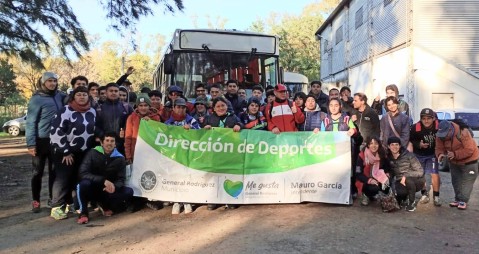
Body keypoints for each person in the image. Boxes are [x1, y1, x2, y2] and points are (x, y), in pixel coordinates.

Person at [49, 86, 96, 220]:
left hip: (83, 152)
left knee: (77, 178)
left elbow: (93, 129)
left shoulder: (92, 111)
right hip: (64, 152)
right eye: (79, 95)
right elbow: (56, 132)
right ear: (73, 97)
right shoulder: (65, 111)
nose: (82, 97)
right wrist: (66, 151)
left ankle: (72, 203)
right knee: (63, 178)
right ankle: (56, 207)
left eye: (84, 95)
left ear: (88, 97)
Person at [26, 72, 66, 213]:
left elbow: (74, 97)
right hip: (41, 140)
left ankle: (52, 199)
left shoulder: (59, 95)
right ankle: (36, 200)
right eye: (49, 81)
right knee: (38, 172)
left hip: (56, 139)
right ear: (43, 82)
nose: (52, 84)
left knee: (54, 172)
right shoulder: (36, 99)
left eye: (55, 81)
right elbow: (30, 122)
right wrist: (31, 144)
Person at [76, 132, 134, 224]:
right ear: (102, 143)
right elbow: (83, 173)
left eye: (112, 141)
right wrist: (103, 180)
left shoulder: (120, 158)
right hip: (93, 188)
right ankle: (83, 213)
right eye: (107, 140)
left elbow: (121, 179)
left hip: (106, 190)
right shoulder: (92, 153)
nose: (109, 143)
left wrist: (115, 186)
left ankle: (105, 205)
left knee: (129, 191)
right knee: (83, 184)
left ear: (115, 144)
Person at [203, 97, 243, 210]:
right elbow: (201, 132)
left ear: (227, 106)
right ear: (214, 109)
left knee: (229, 175)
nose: (221, 108)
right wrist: (205, 128)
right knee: (215, 176)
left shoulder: (233, 117)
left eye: (223, 105)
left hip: (229, 152)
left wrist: (238, 126)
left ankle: (229, 199)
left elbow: (242, 123)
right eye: (218, 106)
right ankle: (213, 200)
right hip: (214, 153)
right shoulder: (209, 118)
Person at [164, 98, 200, 214]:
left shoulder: (191, 120)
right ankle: (176, 201)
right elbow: (161, 136)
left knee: (187, 177)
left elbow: (200, 134)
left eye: (183, 107)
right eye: (178, 107)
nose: (180, 109)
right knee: (175, 177)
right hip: (173, 156)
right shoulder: (168, 123)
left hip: (188, 155)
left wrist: (191, 129)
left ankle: (187, 200)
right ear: (173, 108)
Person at [435, 120, 479, 210]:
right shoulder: (440, 135)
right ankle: (458, 199)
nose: (443, 137)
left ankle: (463, 200)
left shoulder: (463, 132)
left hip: (470, 162)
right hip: (454, 162)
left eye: (445, 135)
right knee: (456, 181)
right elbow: (439, 147)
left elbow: (469, 150)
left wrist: (455, 154)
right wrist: (440, 154)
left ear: (450, 130)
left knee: (467, 182)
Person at [410, 108, 441, 206]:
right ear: (421, 119)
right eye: (424, 118)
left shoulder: (438, 127)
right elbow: (411, 140)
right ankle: (424, 194)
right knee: (421, 174)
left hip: (432, 155)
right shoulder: (416, 127)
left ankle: (436, 196)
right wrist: (419, 144)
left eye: (429, 118)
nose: (426, 121)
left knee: (434, 173)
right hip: (419, 155)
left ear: (433, 119)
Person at [387, 137, 426, 212]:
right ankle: (404, 197)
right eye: (392, 145)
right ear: (388, 146)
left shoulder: (409, 155)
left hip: (416, 180)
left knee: (408, 181)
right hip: (400, 181)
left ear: (400, 146)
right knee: (399, 193)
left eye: (396, 145)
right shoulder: (389, 157)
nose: (394, 147)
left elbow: (420, 171)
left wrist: (405, 176)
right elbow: (392, 171)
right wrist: (388, 175)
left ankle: (411, 203)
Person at [95, 83, 134, 155]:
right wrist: (103, 136)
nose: (113, 93)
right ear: (106, 92)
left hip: (123, 144)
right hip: (106, 144)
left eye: (116, 91)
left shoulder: (127, 107)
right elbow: (95, 126)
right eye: (111, 91)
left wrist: (125, 131)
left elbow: (134, 121)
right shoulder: (99, 108)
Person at [355, 136, 390, 206]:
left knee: (387, 185)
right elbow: (358, 174)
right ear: (368, 145)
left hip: (378, 178)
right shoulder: (362, 155)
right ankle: (366, 195)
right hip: (365, 179)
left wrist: (387, 174)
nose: (374, 146)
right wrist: (369, 180)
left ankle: (372, 195)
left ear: (379, 145)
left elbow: (388, 168)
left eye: (376, 143)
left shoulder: (382, 154)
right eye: (371, 143)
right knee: (373, 188)